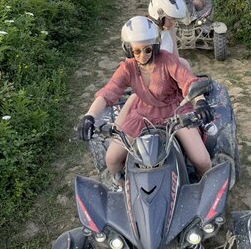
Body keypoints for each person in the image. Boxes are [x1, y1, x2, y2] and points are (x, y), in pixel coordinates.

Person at [76, 16, 212, 189]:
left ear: (155, 46)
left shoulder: (168, 60)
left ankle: (203, 188)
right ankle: (122, 187)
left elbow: (188, 82)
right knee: (112, 159)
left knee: (202, 159)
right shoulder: (127, 67)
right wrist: (89, 116)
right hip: (142, 114)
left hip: (175, 111)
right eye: (136, 51)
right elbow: (109, 91)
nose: (142, 55)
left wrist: (200, 102)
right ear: (128, 49)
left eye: (148, 50)